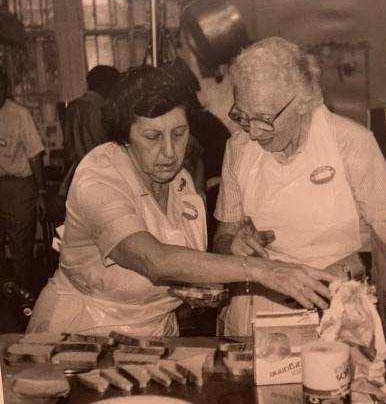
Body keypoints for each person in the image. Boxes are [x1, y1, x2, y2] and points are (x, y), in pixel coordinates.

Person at [27, 63, 336, 337]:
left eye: (178, 133)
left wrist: (233, 249)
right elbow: (154, 261)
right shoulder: (98, 177)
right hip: (83, 334)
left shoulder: (182, 183)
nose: (170, 152)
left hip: (155, 337)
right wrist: (264, 271)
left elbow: (184, 267)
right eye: (152, 137)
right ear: (124, 135)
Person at [213, 37, 386, 336]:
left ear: (303, 102)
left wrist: (324, 277)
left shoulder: (351, 143)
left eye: (265, 119)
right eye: (242, 116)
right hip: (256, 315)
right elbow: (222, 239)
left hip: (335, 309)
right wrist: (232, 245)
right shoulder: (237, 149)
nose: (252, 132)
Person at [0, 70, 47, 296]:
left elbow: (34, 155)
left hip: (18, 189)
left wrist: (40, 191)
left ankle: (24, 303)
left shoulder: (19, 114)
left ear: (6, 88)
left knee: (21, 253)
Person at [61, 65, 120, 172]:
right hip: (99, 169)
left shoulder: (72, 106)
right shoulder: (103, 108)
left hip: (75, 170)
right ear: (106, 86)